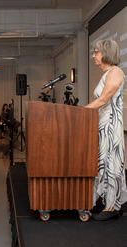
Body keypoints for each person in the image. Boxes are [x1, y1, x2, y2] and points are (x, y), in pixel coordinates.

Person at [86, 39, 127, 221]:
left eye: (96, 51)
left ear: (106, 52)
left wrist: (79, 113)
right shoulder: (106, 73)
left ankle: (112, 207)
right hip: (103, 124)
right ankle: (106, 202)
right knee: (103, 162)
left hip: (110, 125)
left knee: (111, 164)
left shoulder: (116, 72)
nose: (94, 55)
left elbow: (103, 100)